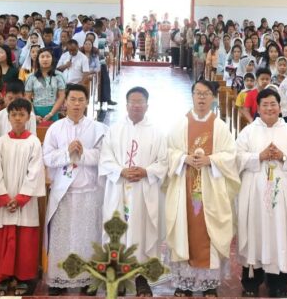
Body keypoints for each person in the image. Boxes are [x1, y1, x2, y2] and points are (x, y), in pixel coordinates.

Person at [165, 80, 240, 297]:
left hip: (212, 189)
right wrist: (183, 158)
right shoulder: (180, 124)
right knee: (184, 229)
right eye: (198, 93)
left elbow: (230, 156)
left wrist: (211, 160)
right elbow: (168, 152)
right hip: (184, 187)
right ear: (192, 95)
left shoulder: (220, 127)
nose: (201, 98)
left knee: (209, 231)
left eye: (206, 94)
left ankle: (208, 285)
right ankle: (185, 282)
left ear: (214, 97)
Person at [235, 88, 287, 298]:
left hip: (282, 196)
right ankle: (251, 282)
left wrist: (284, 157)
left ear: (279, 106)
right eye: (264, 104)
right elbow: (236, 157)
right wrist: (259, 156)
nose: (269, 108)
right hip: (255, 195)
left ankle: (279, 284)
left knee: (280, 234)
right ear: (258, 107)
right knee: (255, 232)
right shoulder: (249, 131)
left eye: (273, 104)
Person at [99, 86, 168, 297]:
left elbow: (164, 162)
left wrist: (146, 171)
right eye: (132, 102)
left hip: (144, 191)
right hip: (119, 188)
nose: (136, 106)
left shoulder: (157, 132)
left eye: (140, 102)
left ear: (147, 105)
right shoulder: (114, 130)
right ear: (126, 104)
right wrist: (121, 171)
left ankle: (141, 279)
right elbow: (105, 158)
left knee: (142, 233)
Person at [42, 83, 107, 293]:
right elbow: (47, 157)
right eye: (72, 100)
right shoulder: (55, 128)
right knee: (64, 238)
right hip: (64, 192)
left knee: (87, 237)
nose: (77, 104)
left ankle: (87, 279)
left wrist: (83, 153)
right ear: (65, 102)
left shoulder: (98, 128)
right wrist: (67, 153)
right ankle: (60, 278)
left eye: (81, 100)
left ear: (87, 102)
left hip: (89, 191)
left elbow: (105, 156)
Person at [0, 98, 46, 296]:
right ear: (8, 117)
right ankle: (3, 278)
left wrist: (21, 198)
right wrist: (4, 197)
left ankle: (23, 277)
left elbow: (35, 172)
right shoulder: (2, 142)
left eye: (22, 114)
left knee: (24, 239)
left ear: (29, 117)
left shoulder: (34, 142)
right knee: (4, 238)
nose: (18, 118)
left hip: (24, 201)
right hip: (4, 200)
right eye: (14, 115)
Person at [25, 48, 66, 122]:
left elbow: (62, 96)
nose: (45, 59)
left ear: (52, 59)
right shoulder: (31, 77)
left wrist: (51, 113)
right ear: (38, 60)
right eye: (42, 57)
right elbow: (27, 97)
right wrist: (33, 115)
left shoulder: (59, 76)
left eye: (48, 56)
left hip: (53, 111)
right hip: (35, 112)